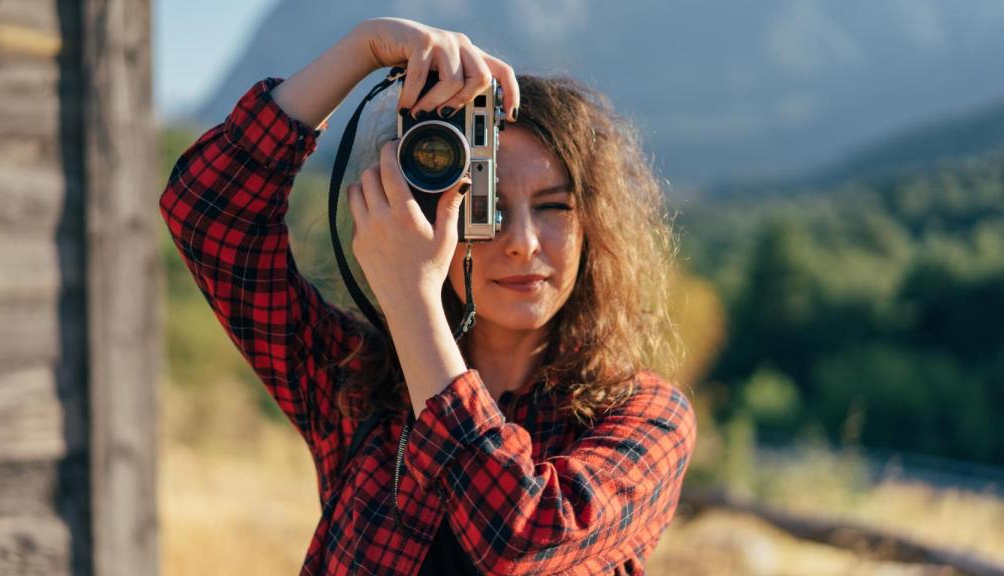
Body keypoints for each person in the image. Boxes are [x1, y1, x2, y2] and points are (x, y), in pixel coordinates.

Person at [160, 16, 696, 575]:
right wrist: (361, 49)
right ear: (419, 207)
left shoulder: (645, 417)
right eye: (483, 204)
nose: (521, 243)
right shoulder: (358, 387)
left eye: (553, 207)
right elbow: (208, 212)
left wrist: (413, 301)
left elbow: (521, 537)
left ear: (594, 227)